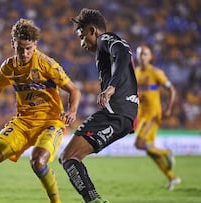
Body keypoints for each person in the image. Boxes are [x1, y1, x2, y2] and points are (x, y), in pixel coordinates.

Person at [0, 18, 81, 203]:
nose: (24, 52)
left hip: (50, 122)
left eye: (29, 48)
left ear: (35, 45)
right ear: (12, 43)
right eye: (20, 48)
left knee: (37, 162)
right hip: (22, 123)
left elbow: (74, 90)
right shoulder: (8, 67)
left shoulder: (47, 64)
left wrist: (72, 111)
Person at [59, 8, 139, 203]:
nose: (81, 43)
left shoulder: (107, 39)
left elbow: (124, 55)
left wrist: (111, 87)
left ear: (92, 30)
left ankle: (94, 201)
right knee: (69, 157)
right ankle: (93, 200)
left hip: (116, 113)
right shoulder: (104, 48)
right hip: (123, 115)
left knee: (68, 156)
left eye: (82, 36)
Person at [134, 45, 180, 190]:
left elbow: (171, 89)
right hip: (142, 115)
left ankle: (167, 152)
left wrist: (169, 108)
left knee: (139, 144)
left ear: (150, 56)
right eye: (140, 54)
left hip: (153, 114)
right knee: (149, 150)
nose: (142, 57)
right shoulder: (136, 73)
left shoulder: (155, 72)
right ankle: (172, 177)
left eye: (145, 54)